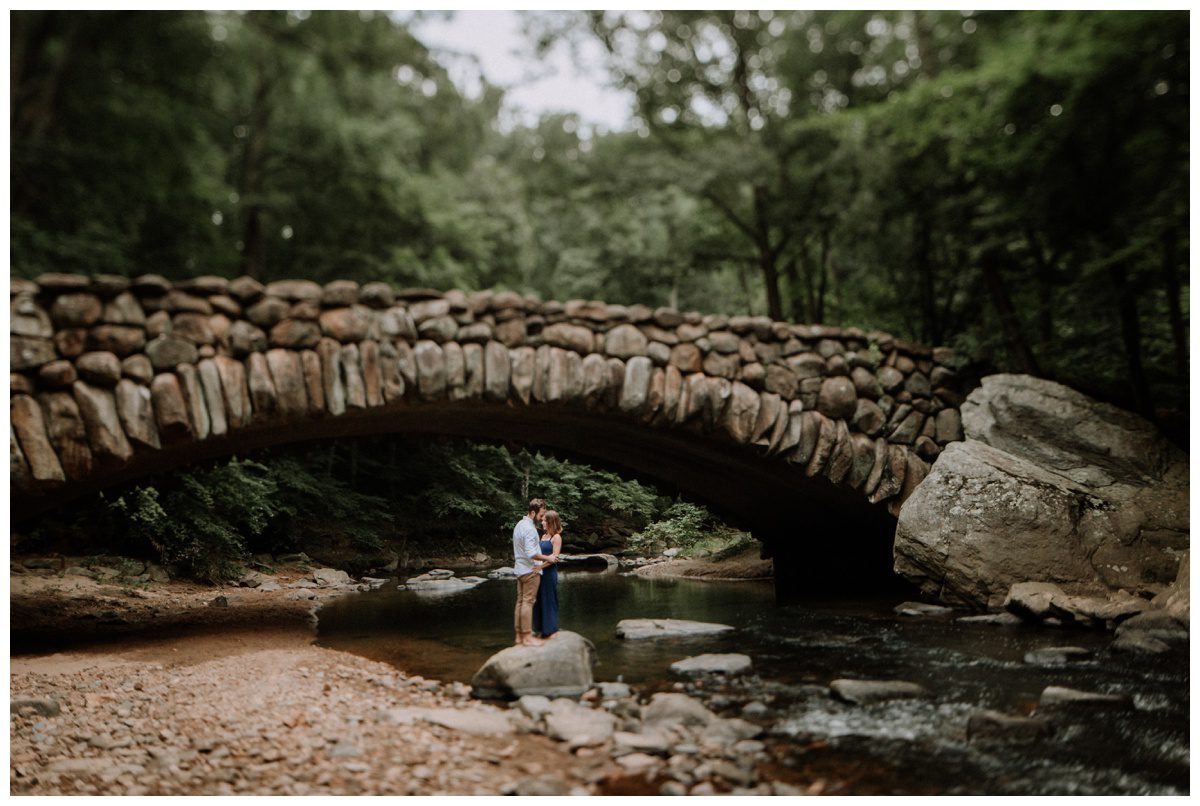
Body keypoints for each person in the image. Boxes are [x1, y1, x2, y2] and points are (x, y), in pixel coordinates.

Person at [512, 498, 556, 647]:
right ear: (532, 512)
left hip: (520, 569)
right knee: (528, 603)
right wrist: (548, 557)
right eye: (541, 514)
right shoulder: (530, 529)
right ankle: (527, 636)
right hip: (530, 570)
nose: (542, 518)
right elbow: (531, 553)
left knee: (520, 602)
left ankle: (519, 636)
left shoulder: (519, 525)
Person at [532, 510, 563, 640]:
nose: (542, 522)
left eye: (545, 520)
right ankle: (541, 628)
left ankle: (551, 629)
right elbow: (541, 555)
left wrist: (540, 566)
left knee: (549, 599)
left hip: (549, 573)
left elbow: (554, 558)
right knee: (539, 600)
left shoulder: (556, 537)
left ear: (551, 522)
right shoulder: (543, 536)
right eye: (543, 520)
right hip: (539, 573)